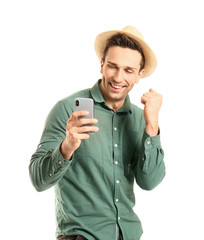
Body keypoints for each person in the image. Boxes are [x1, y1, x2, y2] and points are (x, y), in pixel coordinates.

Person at [29, 25, 166, 240]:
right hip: (81, 236)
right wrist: (67, 147)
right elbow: (38, 180)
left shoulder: (142, 118)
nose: (118, 77)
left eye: (129, 70)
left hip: (128, 235)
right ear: (101, 65)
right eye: (112, 66)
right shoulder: (67, 109)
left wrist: (152, 126)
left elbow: (150, 182)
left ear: (139, 75)